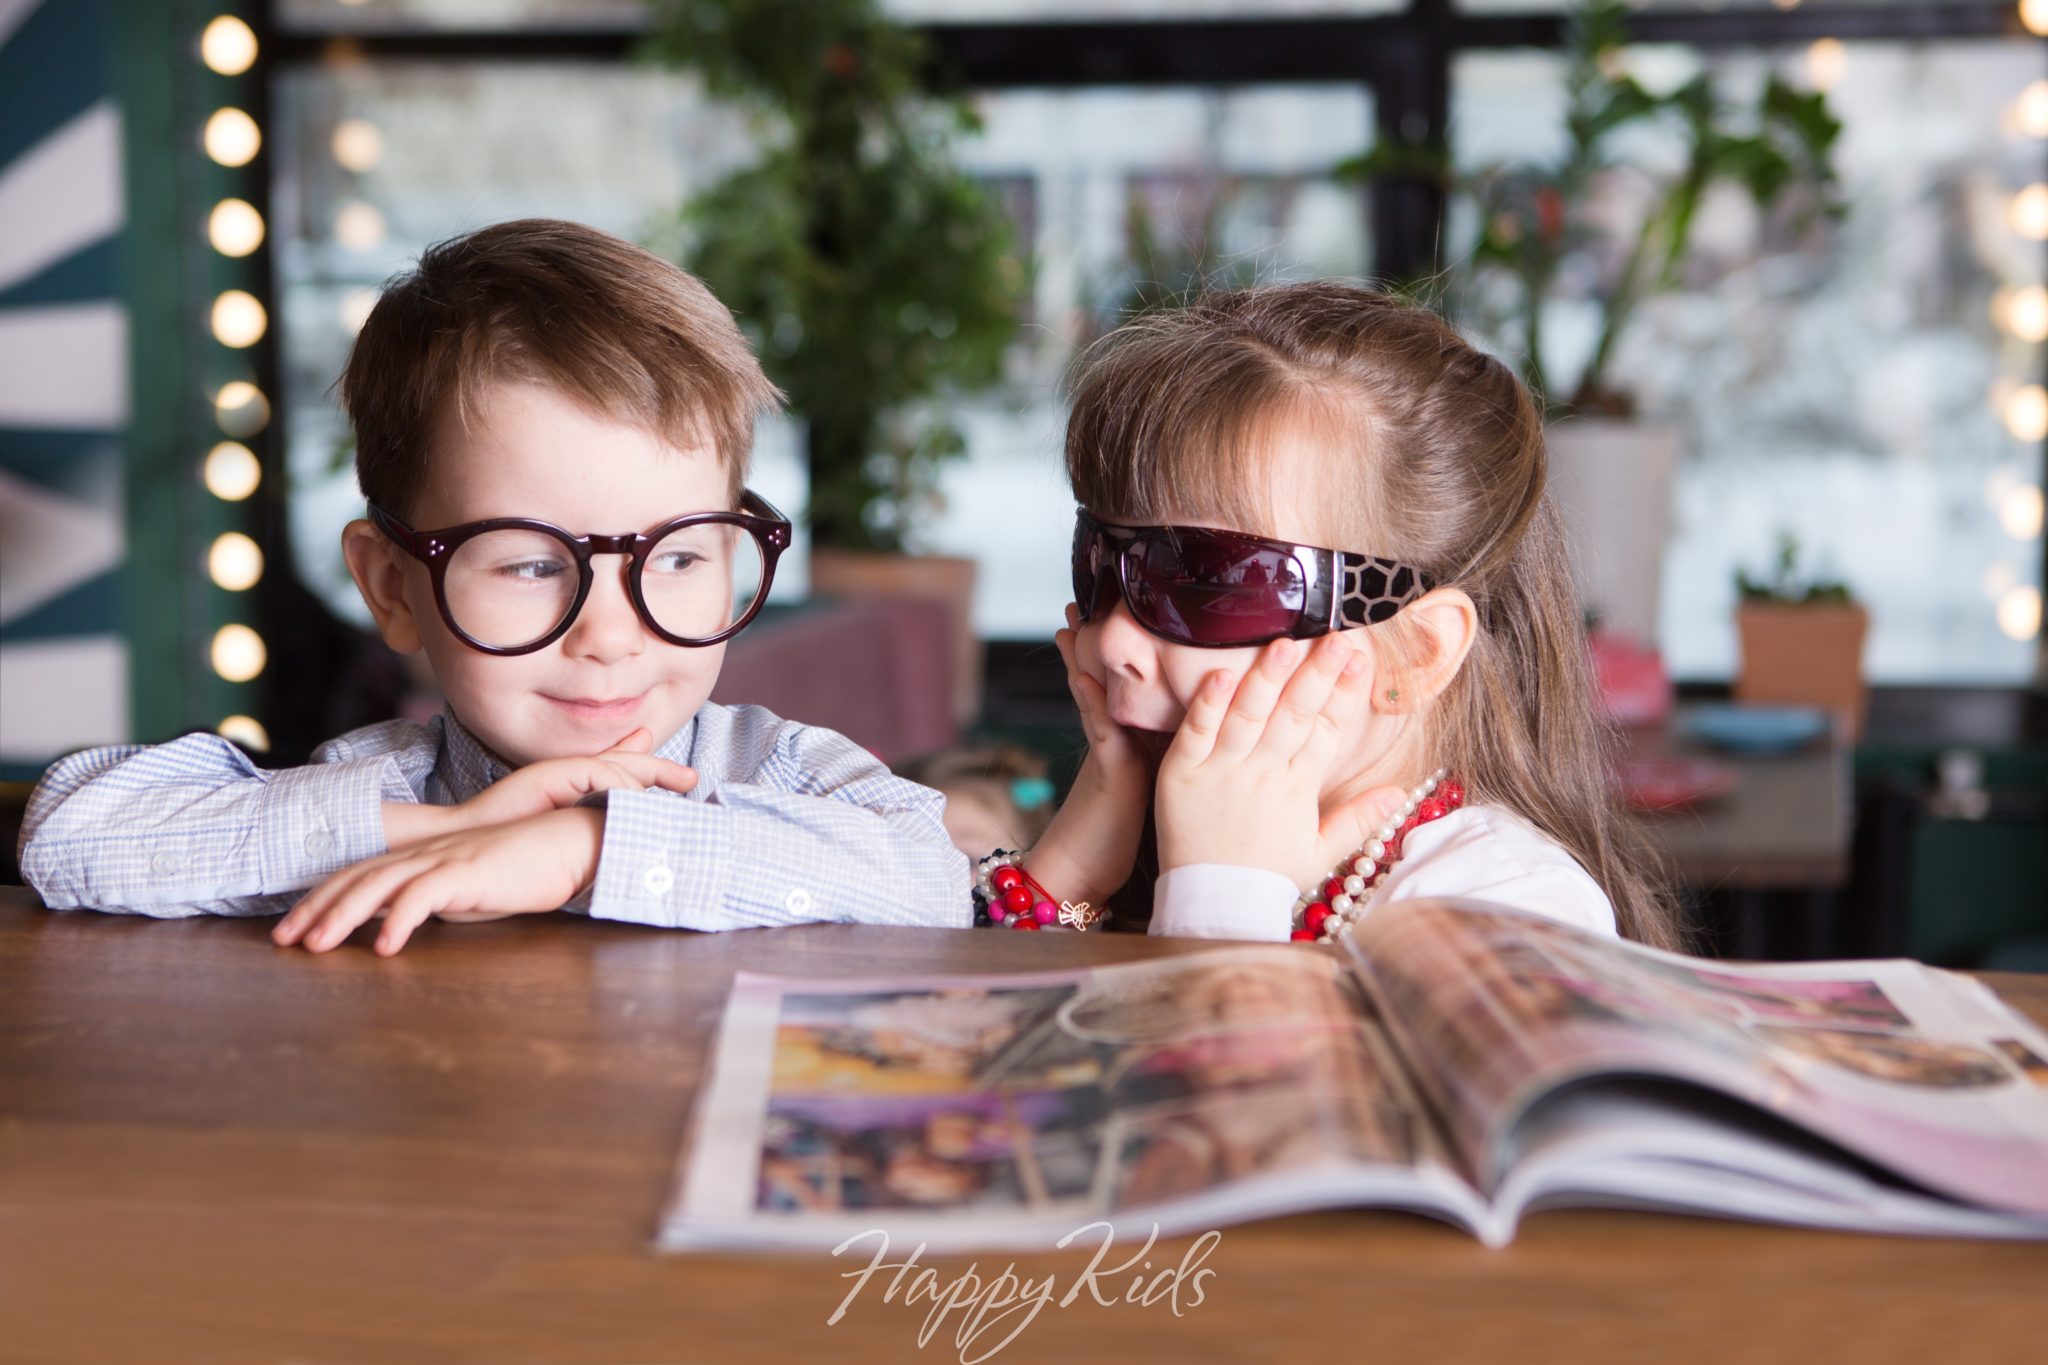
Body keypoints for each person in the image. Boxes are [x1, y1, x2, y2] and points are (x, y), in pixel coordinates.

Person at [17, 219, 969, 953]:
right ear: (392, 587)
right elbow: (69, 831)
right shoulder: (382, 782)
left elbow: (931, 879)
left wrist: (585, 848)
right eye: (529, 562)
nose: (608, 633)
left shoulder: (781, 770)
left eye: (677, 556)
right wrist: (443, 831)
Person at [1016, 282, 1684, 948]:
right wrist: (1068, 879)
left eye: (1206, 580)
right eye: (1101, 558)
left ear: (1420, 649)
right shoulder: (1153, 830)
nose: (1114, 640)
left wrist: (1221, 897)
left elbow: (1210, 1056)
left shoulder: (1508, 907)